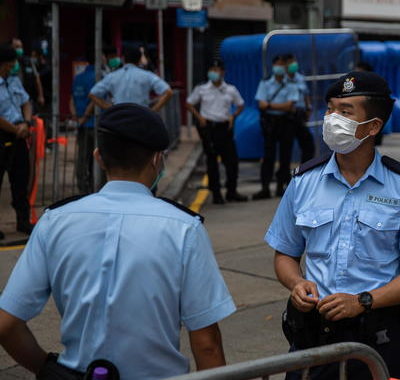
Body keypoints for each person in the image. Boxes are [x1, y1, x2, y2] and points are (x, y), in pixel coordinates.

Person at [0, 103, 236, 379]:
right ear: (157, 159)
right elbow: (207, 345)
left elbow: (6, 325)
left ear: (99, 157)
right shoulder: (184, 228)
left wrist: (48, 369)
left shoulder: (55, 221)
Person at [265, 71, 400, 379]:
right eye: (331, 109)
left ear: (373, 126)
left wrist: (364, 301)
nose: (333, 118)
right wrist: (297, 284)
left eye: (345, 112)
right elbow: (285, 254)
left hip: (377, 340)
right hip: (312, 337)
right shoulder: (304, 182)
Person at [186, 59, 247, 204]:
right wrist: (199, 117)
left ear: (223, 72)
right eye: (211, 69)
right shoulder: (202, 89)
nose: (214, 72)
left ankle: (231, 192)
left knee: (232, 161)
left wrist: (233, 116)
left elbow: (240, 104)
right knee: (212, 162)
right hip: (208, 128)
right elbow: (189, 103)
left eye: (217, 69)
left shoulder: (230, 89)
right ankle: (216, 193)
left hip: (224, 127)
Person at [252, 55, 300, 200]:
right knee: (268, 156)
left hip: (286, 122)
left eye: (282, 65)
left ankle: (281, 186)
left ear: (286, 67)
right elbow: (261, 104)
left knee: (285, 156)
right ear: (273, 66)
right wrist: (281, 107)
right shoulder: (265, 83)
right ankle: (265, 187)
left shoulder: (291, 84)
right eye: (277, 64)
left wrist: (271, 105)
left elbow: (290, 105)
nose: (279, 67)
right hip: (270, 123)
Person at [0, 44, 34, 238]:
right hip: (4, 134)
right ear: (4, 64)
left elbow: (26, 102)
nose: (14, 65)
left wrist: (26, 123)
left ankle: (23, 221)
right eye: (12, 62)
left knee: (21, 179)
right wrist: (15, 130)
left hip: (20, 134)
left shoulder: (14, 81)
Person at [89, 47, 173, 111]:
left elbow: (92, 94)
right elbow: (168, 92)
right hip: (141, 117)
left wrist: (110, 108)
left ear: (123, 58)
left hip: (120, 118)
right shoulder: (147, 75)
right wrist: (153, 111)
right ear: (140, 59)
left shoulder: (112, 76)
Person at [70, 53, 97, 194]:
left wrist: (77, 117)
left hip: (81, 125)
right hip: (93, 124)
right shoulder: (97, 77)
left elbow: (71, 99)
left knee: (82, 158)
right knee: (95, 160)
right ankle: (92, 189)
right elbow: (95, 99)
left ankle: (83, 188)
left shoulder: (78, 78)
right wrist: (85, 116)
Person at [284, 54, 315, 163]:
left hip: (300, 114)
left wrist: (308, 108)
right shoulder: (281, 80)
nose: (294, 64)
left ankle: (305, 170)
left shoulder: (300, 78)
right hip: (286, 115)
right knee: (286, 146)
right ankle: (283, 177)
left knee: (308, 144)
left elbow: (306, 94)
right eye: (291, 62)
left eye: (294, 61)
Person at [11, 38, 44, 109]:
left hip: (27, 95)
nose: (19, 49)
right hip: (12, 98)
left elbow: (37, 78)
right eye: (17, 47)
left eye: (21, 47)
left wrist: (40, 95)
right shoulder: (7, 62)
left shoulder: (28, 62)